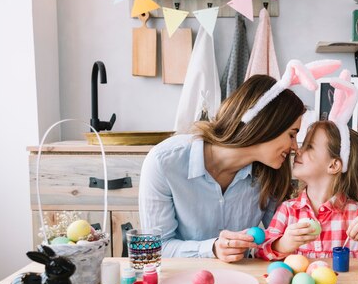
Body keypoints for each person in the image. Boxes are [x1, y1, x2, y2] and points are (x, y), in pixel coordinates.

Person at [139, 60, 341, 262]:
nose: (295, 148)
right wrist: (212, 249)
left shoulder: (272, 173)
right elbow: (156, 248)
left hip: (246, 282)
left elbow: (279, 238)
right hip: (180, 282)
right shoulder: (164, 162)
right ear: (266, 126)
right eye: (291, 134)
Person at [256, 71, 358, 261]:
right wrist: (284, 243)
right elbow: (260, 253)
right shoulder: (288, 210)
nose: (298, 150)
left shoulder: (355, 213)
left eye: (309, 147)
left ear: (334, 165)